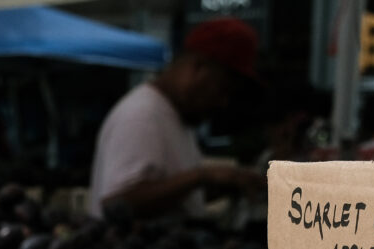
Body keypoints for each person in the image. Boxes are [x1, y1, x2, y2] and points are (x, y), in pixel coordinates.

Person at [88, 17, 266, 221]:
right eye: (222, 89)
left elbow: (170, 198)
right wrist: (201, 176)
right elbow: (117, 204)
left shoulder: (175, 115)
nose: (223, 102)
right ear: (198, 68)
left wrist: (226, 185)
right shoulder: (143, 115)